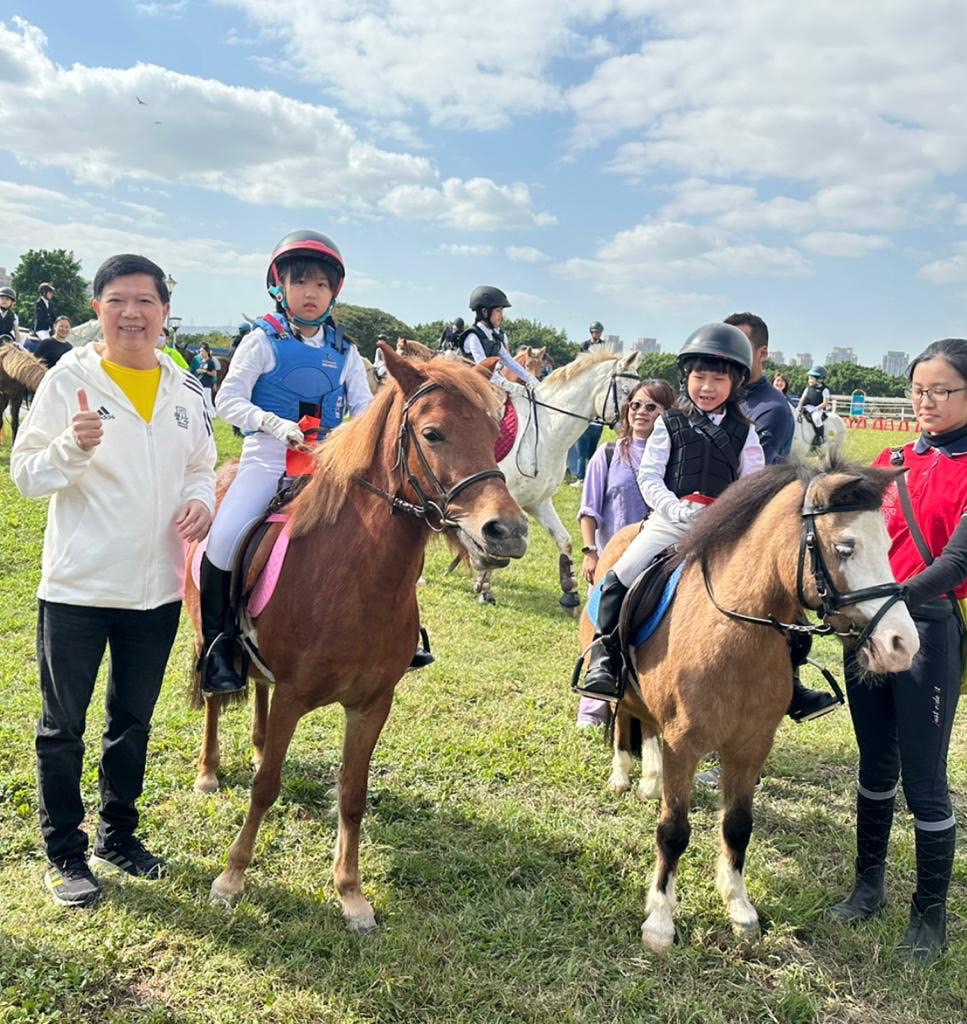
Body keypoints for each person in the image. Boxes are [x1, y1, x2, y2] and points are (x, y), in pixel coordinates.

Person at [10, 253, 216, 907]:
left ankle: (118, 837)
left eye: (146, 301)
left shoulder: (186, 389)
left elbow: (202, 464)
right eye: (118, 300)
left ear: (163, 312)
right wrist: (72, 447)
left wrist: (204, 500)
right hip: (77, 588)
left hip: (154, 590)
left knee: (132, 724)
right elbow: (25, 475)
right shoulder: (70, 376)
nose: (132, 312)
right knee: (61, 727)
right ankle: (65, 854)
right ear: (97, 308)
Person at [828, 338, 967, 962]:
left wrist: (891, 599)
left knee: (925, 781)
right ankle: (867, 887)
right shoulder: (888, 460)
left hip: (927, 630)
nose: (926, 402)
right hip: (867, 630)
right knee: (874, 766)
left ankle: (930, 916)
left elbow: (957, 561)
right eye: (919, 390)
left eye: (941, 391)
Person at [200, 230, 375, 697]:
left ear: (333, 291)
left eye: (320, 284)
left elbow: (365, 409)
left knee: (383, 534)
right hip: (268, 461)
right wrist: (275, 425)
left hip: (329, 468)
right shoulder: (261, 340)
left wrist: (346, 441)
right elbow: (227, 402)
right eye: (301, 283)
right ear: (280, 287)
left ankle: (392, 635)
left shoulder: (346, 351)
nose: (311, 293)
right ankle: (218, 646)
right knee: (222, 540)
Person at [578, 323, 765, 701]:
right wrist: (672, 508)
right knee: (620, 576)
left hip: (723, 529)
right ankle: (605, 655)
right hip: (669, 522)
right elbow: (649, 475)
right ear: (687, 377)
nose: (707, 387)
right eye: (699, 377)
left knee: (769, 587)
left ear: (736, 382)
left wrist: (726, 517)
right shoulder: (670, 422)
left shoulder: (746, 433)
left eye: (718, 379)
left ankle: (791, 677)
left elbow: (753, 486)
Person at [575, 378, 676, 728]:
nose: (641, 413)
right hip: (612, 559)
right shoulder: (607, 454)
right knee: (600, 627)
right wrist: (591, 552)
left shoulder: (675, 456)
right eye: (635, 405)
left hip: (660, 562)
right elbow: (589, 509)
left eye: (651, 407)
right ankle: (594, 706)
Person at [460, 286, 539, 391]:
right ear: (485, 312)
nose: (501, 316)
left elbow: (509, 361)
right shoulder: (473, 337)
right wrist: (507, 384)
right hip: (470, 387)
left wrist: (530, 378)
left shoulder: (494, 337)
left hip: (490, 384)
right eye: (498, 311)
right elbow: (483, 369)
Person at [568, 321, 608, 483]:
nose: (595, 334)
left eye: (597, 332)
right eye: (593, 332)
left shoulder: (604, 345)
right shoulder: (584, 345)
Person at [797, 365, 830, 449]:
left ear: (819, 379)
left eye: (811, 378)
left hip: (818, 409)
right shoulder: (807, 388)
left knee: (816, 418)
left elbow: (825, 403)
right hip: (807, 407)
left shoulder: (824, 390)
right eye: (809, 378)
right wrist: (799, 407)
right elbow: (802, 399)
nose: (809, 380)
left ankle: (820, 437)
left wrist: (815, 409)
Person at [195, 343, 218, 414]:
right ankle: (209, 413)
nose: (201, 353)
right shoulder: (202, 361)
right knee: (203, 399)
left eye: (202, 351)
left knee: (207, 399)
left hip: (207, 383)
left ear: (207, 352)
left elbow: (214, 373)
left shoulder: (210, 362)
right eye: (200, 351)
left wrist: (205, 371)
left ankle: (212, 413)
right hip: (200, 383)